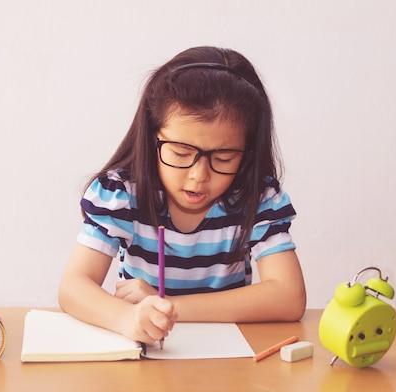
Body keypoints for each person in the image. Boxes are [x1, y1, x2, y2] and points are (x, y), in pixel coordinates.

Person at [58, 46, 305, 345]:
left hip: (228, 368)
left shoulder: (258, 198)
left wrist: (171, 307)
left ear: (247, 153)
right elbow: (73, 287)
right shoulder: (121, 194)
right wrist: (127, 318)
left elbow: (289, 297)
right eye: (180, 153)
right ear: (153, 138)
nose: (199, 175)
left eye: (224, 158)